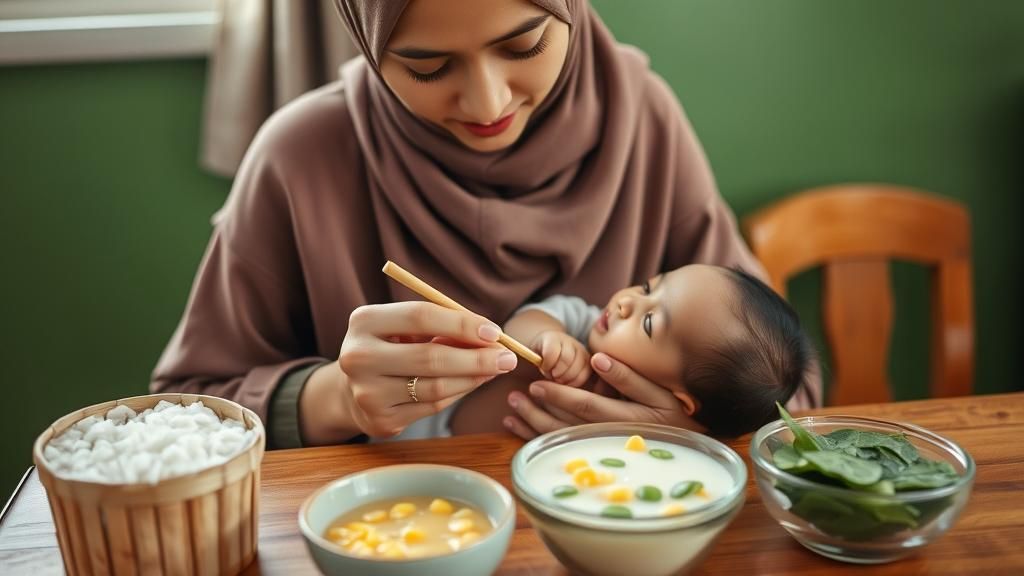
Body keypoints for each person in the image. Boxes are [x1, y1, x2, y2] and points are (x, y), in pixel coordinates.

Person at [151, 0, 820, 449]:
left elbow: (787, 380)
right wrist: (332, 400)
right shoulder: (299, 157)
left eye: (523, 44)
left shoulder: (642, 119)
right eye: (427, 65)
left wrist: (690, 425)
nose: (487, 102)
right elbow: (183, 414)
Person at [502, 264, 814, 437]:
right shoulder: (583, 328)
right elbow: (518, 326)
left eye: (649, 323)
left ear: (681, 405)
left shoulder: (660, 439)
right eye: (649, 288)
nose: (626, 302)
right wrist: (546, 336)